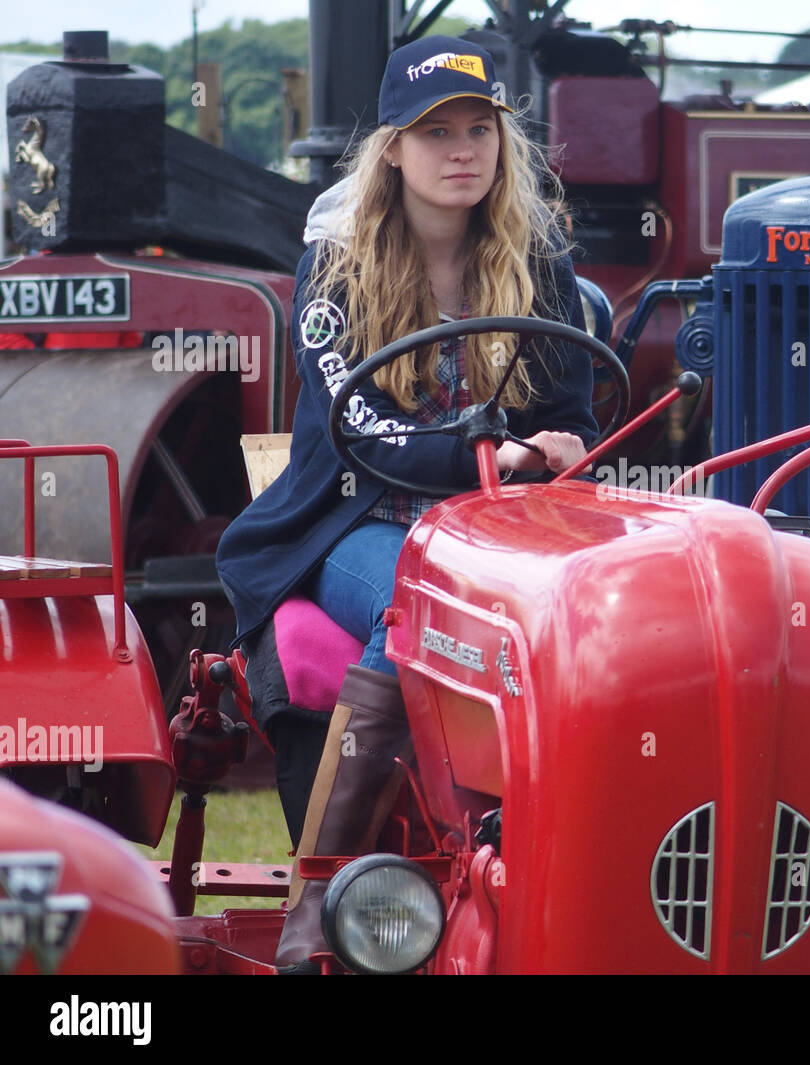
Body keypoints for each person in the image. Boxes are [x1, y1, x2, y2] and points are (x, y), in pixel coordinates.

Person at [215, 34, 597, 972]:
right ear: (392, 147)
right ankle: (325, 893)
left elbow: (568, 408)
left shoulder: (535, 258)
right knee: (414, 610)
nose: (461, 149)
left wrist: (557, 444)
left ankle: (570, 852)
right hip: (357, 521)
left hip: (494, 531)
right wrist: (487, 453)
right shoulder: (334, 271)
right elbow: (364, 432)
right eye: (435, 133)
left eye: (479, 128)